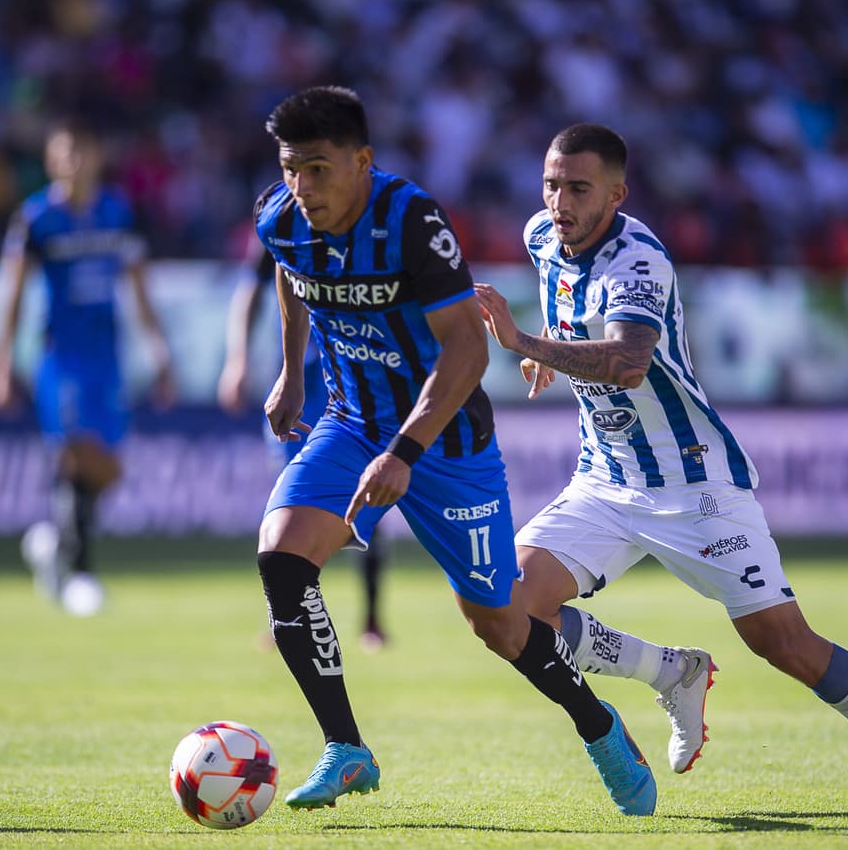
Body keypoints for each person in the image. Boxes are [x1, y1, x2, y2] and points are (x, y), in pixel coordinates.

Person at [475, 122, 848, 815]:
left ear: (617, 194)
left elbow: (627, 362)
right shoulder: (540, 238)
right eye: (552, 183)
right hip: (606, 479)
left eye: (579, 187)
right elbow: (575, 317)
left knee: (785, 645)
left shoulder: (638, 261)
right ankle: (670, 671)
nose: (560, 199)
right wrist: (546, 352)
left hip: (694, 485)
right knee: (510, 606)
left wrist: (526, 341)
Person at [253, 86, 656, 816]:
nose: (302, 187)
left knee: (499, 624)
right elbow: (292, 276)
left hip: (445, 438)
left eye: (318, 168)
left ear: (362, 161)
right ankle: (347, 749)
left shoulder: (411, 221)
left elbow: (467, 351)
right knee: (282, 555)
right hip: (350, 421)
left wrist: (405, 451)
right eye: (291, 169)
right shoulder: (281, 218)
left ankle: (598, 725)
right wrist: (290, 370)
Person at [0, 119, 175, 617]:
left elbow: (139, 287)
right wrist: (1, 365)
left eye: (82, 150)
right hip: (60, 356)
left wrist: (159, 352)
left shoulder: (117, 212)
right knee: (75, 455)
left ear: (97, 156)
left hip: (107, 355)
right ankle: (82, 575)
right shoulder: (36, 218)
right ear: (51, 160)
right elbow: (13, 295)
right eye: (64, 152)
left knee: (107, 468)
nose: (73, 161)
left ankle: (54, 541)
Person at [218, 233, 389, 651]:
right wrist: (238, 360)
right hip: (304, 387)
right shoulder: (284, 227)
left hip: (358, 384)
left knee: (367, 494)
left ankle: (371, 619)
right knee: (293, 503)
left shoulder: (373, 223)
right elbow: (251, 293)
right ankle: (291, 620)